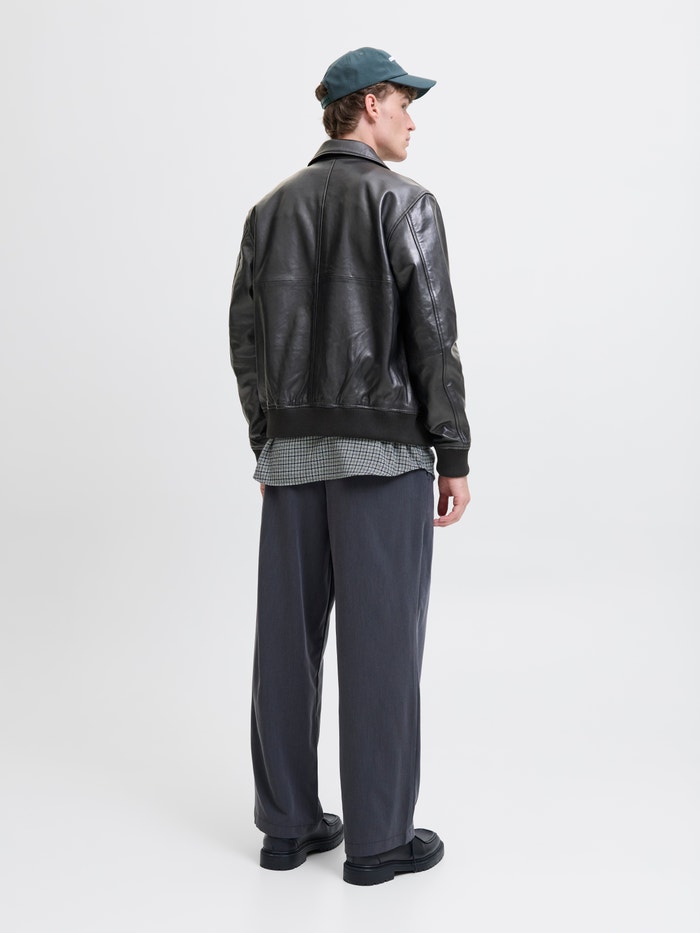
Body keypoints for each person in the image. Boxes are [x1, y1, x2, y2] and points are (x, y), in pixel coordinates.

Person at [228, 46, 472, 886]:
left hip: (292, 455)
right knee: (381, 645)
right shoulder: (405, 202)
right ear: (370, 104)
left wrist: (267, 439)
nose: (412, 120)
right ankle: (378, 841)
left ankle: (287, 827)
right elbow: (433, 336)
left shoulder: (269, 210)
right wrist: (453, 450)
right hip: (384, 454)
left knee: (284, 643)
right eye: (405, 103)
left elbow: (247, 341)